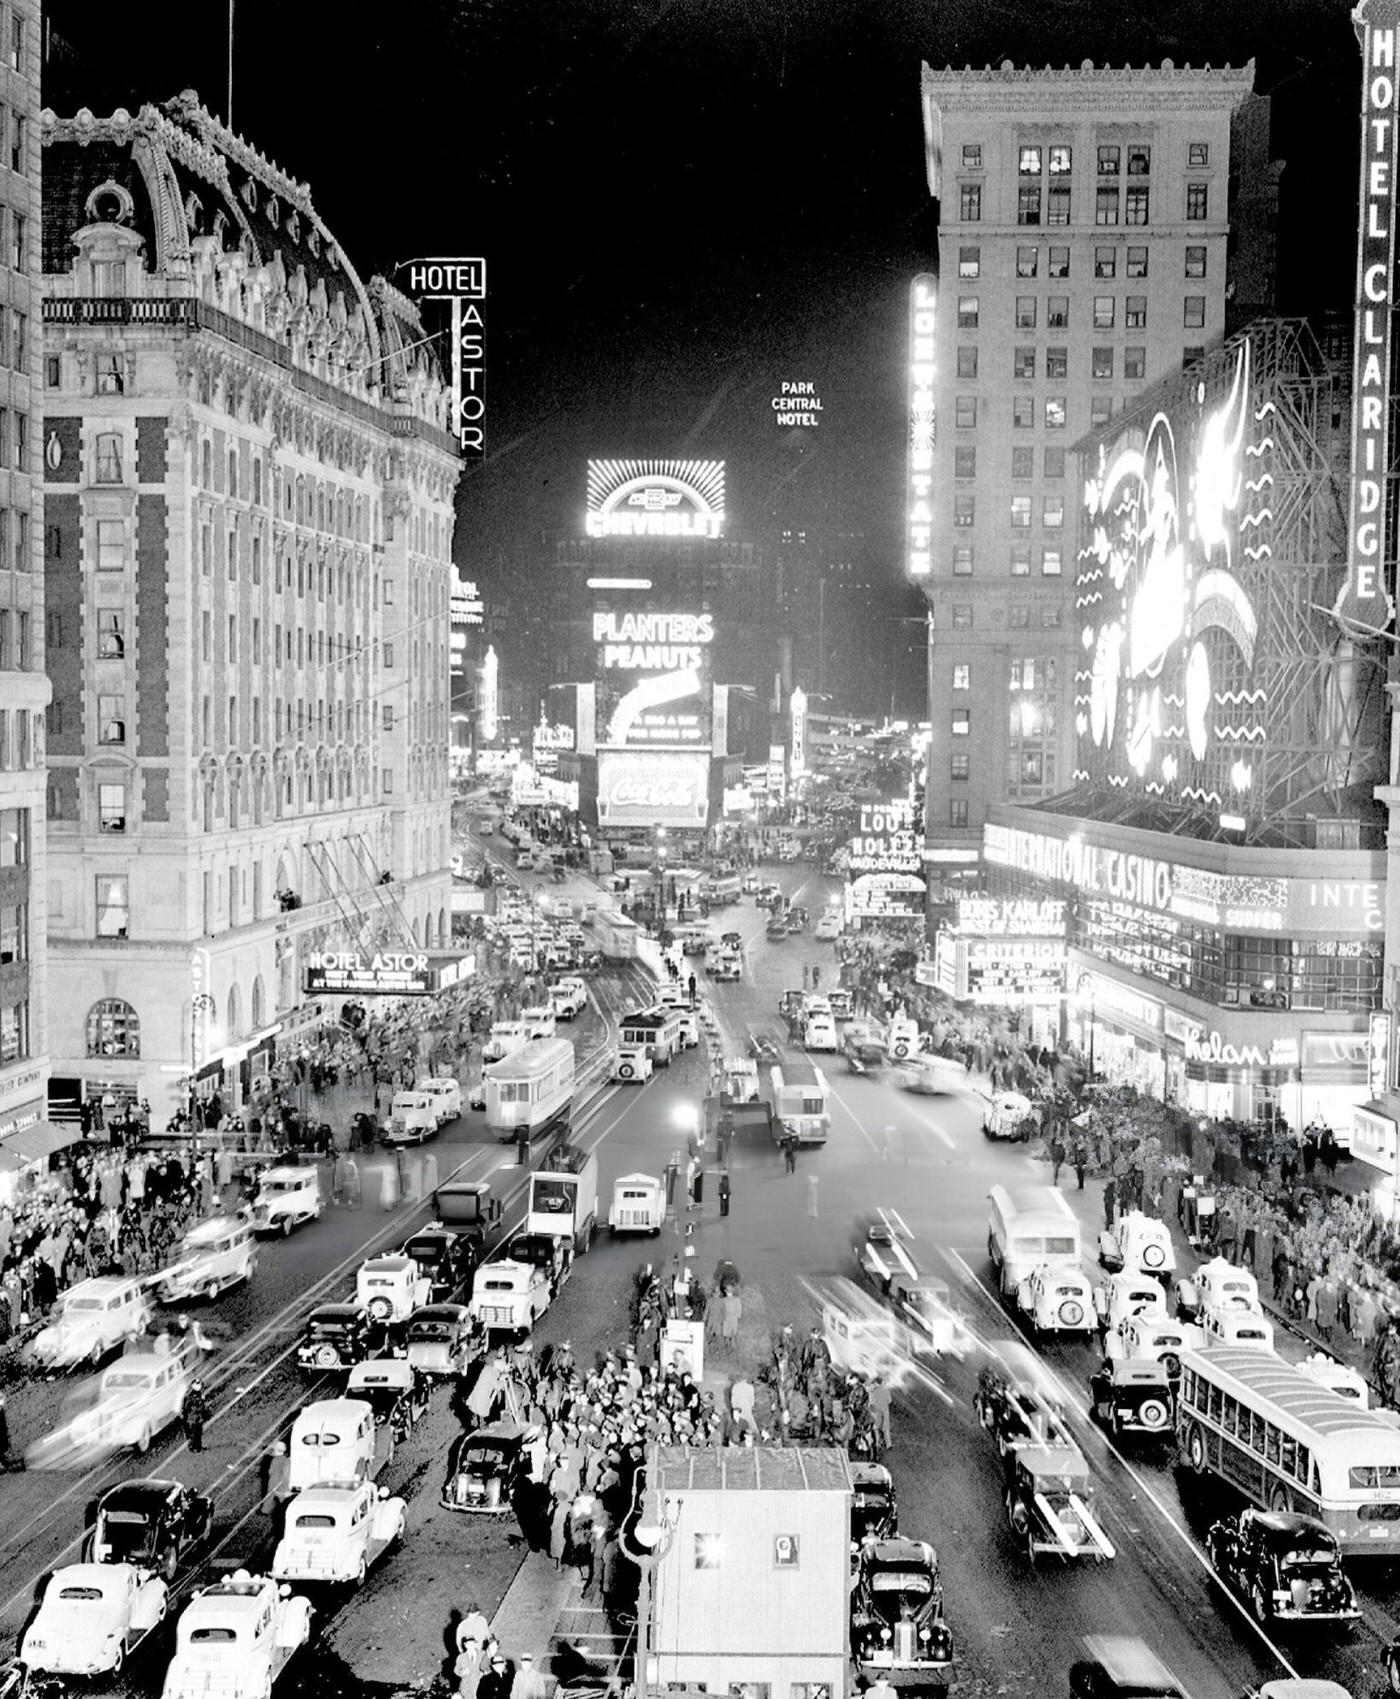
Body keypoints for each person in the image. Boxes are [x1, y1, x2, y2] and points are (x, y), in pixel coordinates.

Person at [183, 1378, 209, 1452]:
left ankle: (198, 1447)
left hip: (196, 1418)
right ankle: (194, 1447)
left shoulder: (196, 1395)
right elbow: (187, 1409)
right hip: (193, 1419)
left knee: (198, 1432)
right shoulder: (191, 1397)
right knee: (194, 1434)